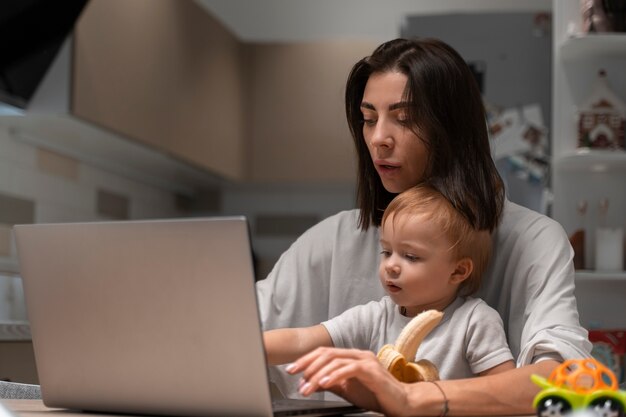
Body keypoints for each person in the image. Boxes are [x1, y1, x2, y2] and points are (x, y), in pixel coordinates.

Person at [256, 37, 591, 415]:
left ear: (453, 128)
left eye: (404, 118)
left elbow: (559, 379)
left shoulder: (534, 241)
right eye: (368, 119)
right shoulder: (329, 240)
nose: (379, 138)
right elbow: (243, 331)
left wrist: (412, 398)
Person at [264, 184, 515, 382]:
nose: (391, 265)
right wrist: (245, 349)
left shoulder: (474, 321)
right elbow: (302, 340)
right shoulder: (376, 317)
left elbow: (504, 390)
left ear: (458, 271)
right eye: (386, 252)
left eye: (411, 256)